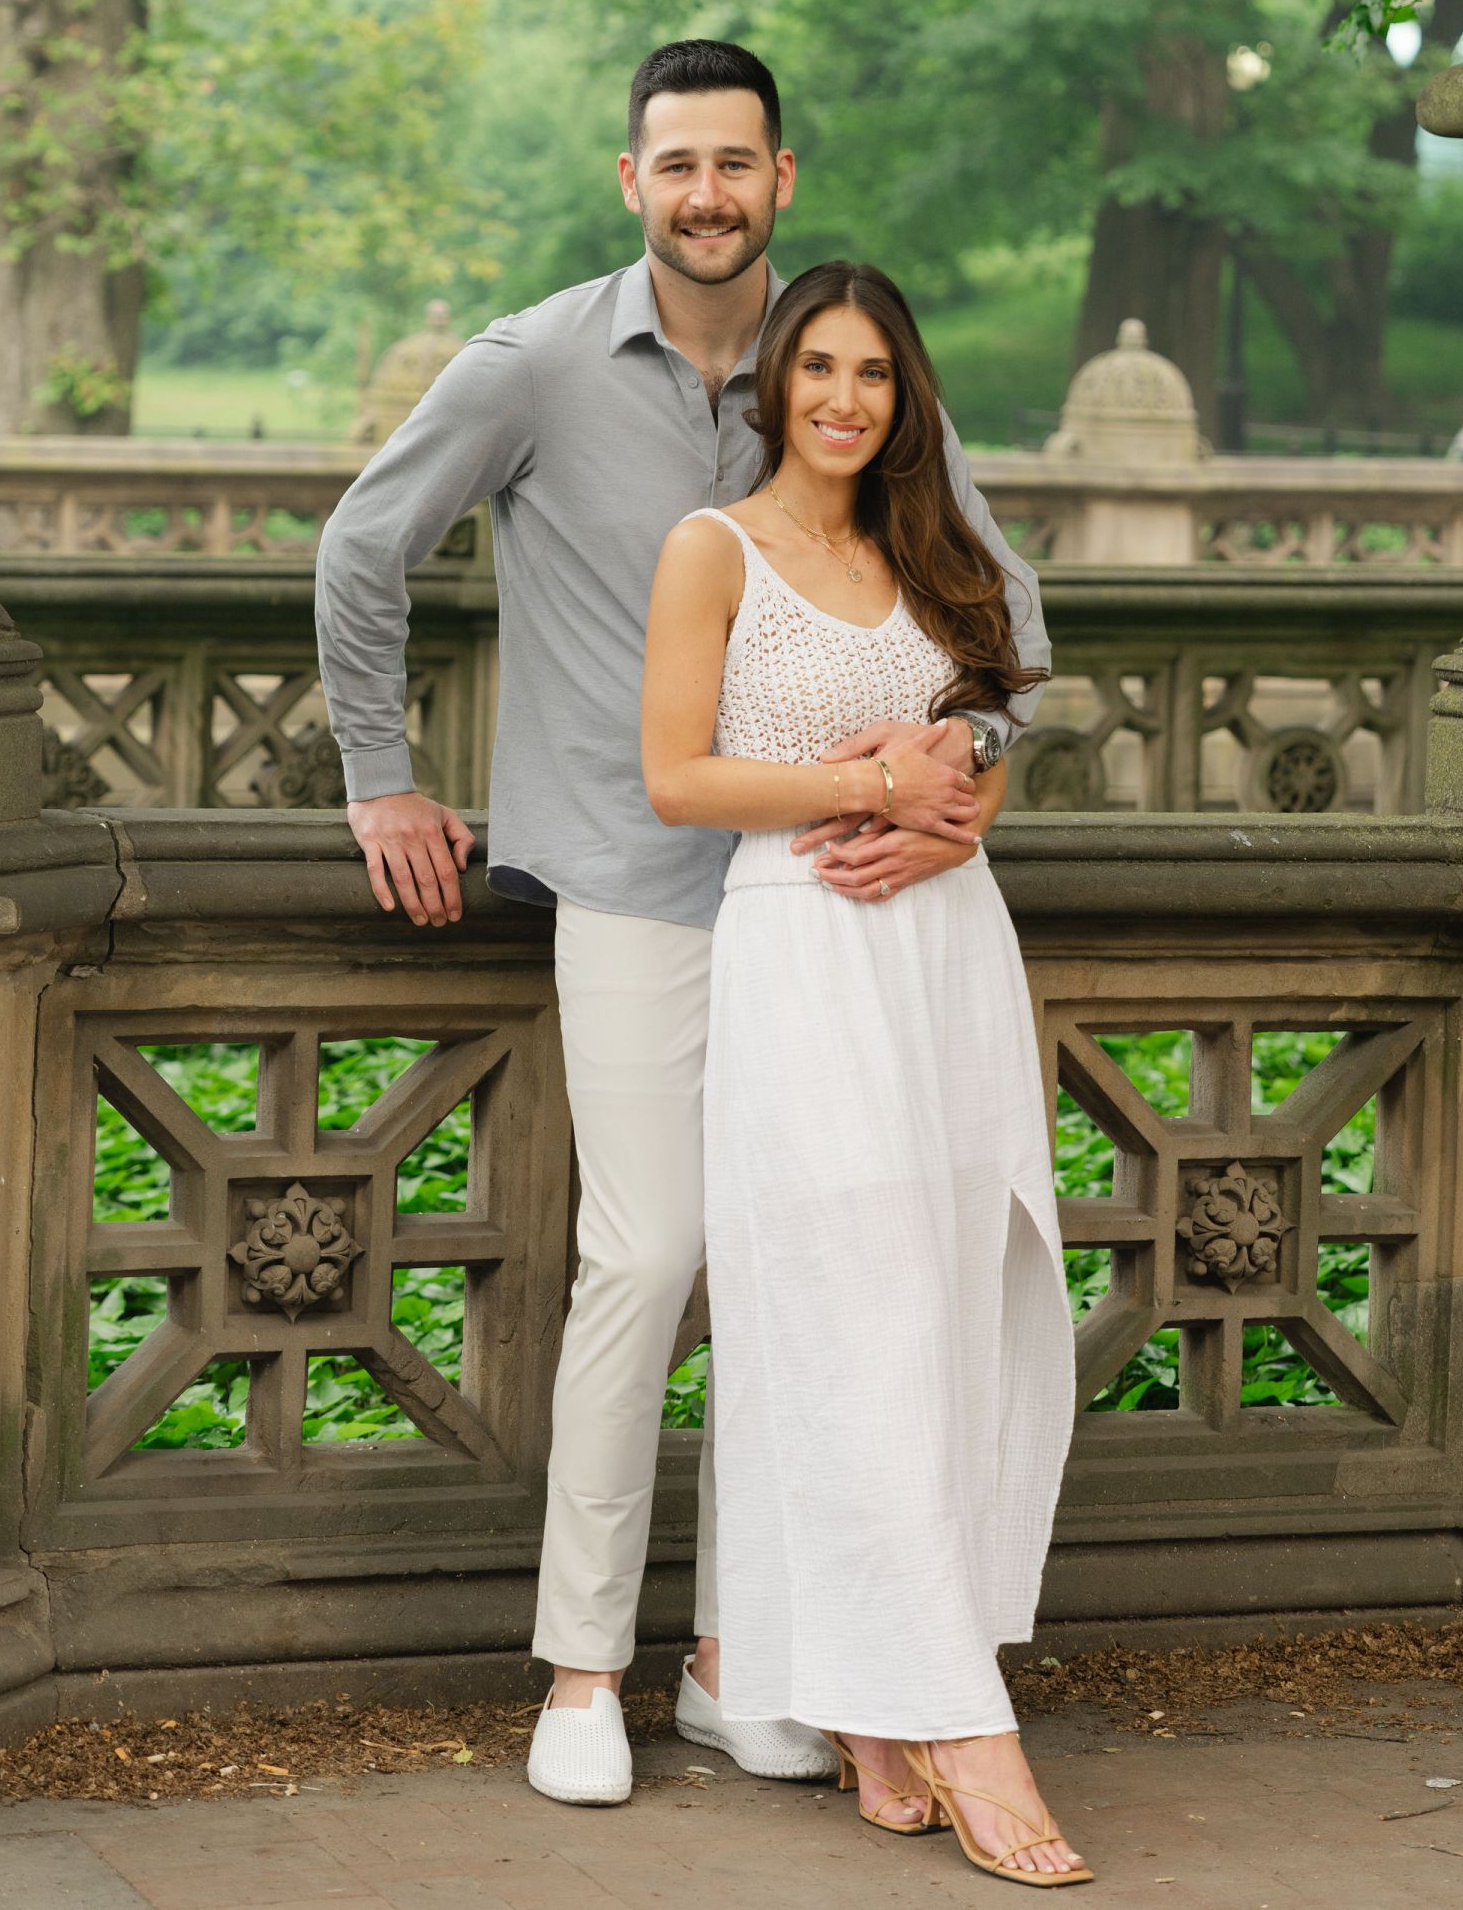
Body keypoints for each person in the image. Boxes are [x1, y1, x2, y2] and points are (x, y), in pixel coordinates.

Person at [314, 41, 1043, 1808]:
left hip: (838, 914)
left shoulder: (835, 368)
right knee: (646, 1262)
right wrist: (381, 780)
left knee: (804, 1277)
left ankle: (742, 1664)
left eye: (739, 163)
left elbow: (1004, 618)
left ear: (782, 178)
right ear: (629, 179)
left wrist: (963, 767)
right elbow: (363, 544)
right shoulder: (539, 364)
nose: (707, 192)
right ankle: (583, 1671)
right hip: (641, 892)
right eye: (677, 165)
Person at [640, 260, 1088, 1889]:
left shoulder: (933, 548)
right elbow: (676, 777)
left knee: (958, 1301)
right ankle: (962, 1725)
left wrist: (961, 782)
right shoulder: (716, 550)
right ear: (774, 384)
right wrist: (859, 779)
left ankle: (872, 1698)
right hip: (807, 953)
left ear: (907, 397)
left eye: (876, 375)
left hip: (949, 950)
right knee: (851, 1307)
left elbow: (991, 705)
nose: (845, 398)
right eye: (818, 368)